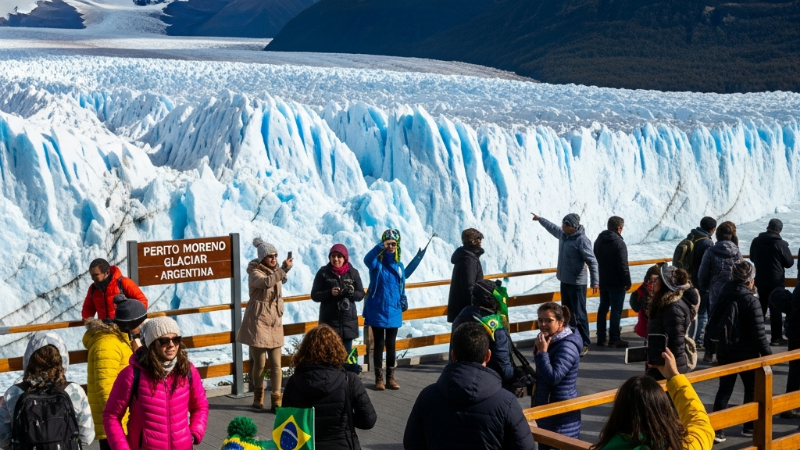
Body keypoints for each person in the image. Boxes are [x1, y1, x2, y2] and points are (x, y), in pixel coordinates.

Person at [403, 322, 535, 450]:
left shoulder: (427, 396)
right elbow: (525, 446)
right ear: (488, 356)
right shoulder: (507, 402)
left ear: (453, 355)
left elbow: (412, 443)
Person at [103, 316, 209, 450]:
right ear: (151, 344)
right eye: (164, 340)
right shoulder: (131, 375)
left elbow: (200, 406)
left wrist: (194, 433)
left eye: (175, 340)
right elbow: (111, 416)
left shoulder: (187, 370)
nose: (171, 345)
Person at [591, 348, 714, 450]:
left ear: (619, 413)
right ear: (663, 412)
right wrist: (674, 376)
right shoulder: (686, 446)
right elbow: (700, 423)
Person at [282, 324, 377, 450]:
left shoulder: (293, 382)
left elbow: (286, 423)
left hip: (305, 445)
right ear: (337, 349)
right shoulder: (349, 380)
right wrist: (347, 420)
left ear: (305, 351)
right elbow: (368, 420)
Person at [708, 260, 771, 443]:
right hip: (746, 353)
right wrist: (768, 354)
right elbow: (759, 334)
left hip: (725, 349)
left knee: (725, 389)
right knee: (751, 388)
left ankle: (718, 430)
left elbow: (714, 321)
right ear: (750, 280)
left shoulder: (723, 294)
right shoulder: (751, 301)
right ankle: (749, 426)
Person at [0, 332, 95, 450]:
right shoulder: (74, 391)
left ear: (29, 358)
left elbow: (3, 439)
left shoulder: (14, 393)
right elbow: (87, 437)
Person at [363, 229, 426, 391]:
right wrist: (380, 247)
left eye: (394, 244)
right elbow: (366, 260)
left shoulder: (399, 266)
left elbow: (401, 286)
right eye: (388, 244)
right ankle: (379, 379)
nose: (391, 247)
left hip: (394, 309)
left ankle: (390, 378)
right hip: (377, 308)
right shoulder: (377, 263)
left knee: (391, 345)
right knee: (379, 343)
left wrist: (403, 298)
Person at [83, 295, 147, 450]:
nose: (144, 325)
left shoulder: (121, 339)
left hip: (121, 419)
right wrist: (117, 423)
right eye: (141, 322)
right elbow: (106, 389)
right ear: (131, 323)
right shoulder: (108, 344)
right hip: (115, 424)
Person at [236, 238, 293, 411]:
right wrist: (282, 270)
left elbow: (277, 281)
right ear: (262, 258)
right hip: (258, 321)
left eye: (275, 255)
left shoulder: (276, 271)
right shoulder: (255, 273)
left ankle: (277, 400)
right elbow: (266, 282)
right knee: (260, 363)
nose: (274, 259)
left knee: (276, 364)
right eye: (270, 256)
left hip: (274, 320)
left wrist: (282, 271)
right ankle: (258, 396)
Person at [532, 212, 599, 356]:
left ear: (574, 227)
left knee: (580, 314)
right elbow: (552, 228)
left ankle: (584, 343)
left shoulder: (582, 240)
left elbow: (592, 261)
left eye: (566, 224)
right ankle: (570, 338)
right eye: (563, 223)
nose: (563, 226)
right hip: (565, 280)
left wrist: (595, 282)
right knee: (566, 313)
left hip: (577, 284)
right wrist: (540, 219)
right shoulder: (563, 235)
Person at [533, 302, 583, 449]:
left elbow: (553, 377)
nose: (543, 324)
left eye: (549, 320)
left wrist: (542, 353)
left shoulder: (567, 346)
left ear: (560, 322)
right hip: (549, 410)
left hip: (561, 415)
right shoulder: (552, 341)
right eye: (540, 320)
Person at [451, 279, 514, 383]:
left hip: (458, 376)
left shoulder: (462, 316)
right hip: (488, 381)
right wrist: (513, 375)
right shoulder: (495, 325)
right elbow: (503, 367)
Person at [697, 221, 742, 362]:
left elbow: (702, 273)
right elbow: (741, 271)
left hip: (715, 292)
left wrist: (705, 287)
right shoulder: (736, 251)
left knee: (713, 320)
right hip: (732, 291)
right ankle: (728, 352)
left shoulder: (710, 251)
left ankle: (709, 352)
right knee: (731, 321)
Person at [311, 244, 365, 354]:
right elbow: (315, 295)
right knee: (330, 357)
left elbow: (361, 294)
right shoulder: (323, 273)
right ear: (329, 257)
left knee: (346, 356)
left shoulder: (353, 273)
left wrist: (351, 293)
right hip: (329, 323)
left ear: (345, 258)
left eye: (339, 256)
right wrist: (330, 293)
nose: (336, 259)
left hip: (348, 324)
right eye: (333, 256)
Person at [645, 265, 698, 379]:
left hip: (669, 366)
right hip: (660, 362)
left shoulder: (673, 308)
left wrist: (664, 366)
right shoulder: (664, 303)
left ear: (665, 284)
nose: (654, 282)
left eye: (658, 279)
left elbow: (676, 343)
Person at [749, 218, 794, 346]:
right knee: (775, 309)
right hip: (776, 280)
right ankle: (776, 337)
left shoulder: (756, 241)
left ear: (768, 227)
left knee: (760, 309)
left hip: (760, 279)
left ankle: (758, 337)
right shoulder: (781, 244)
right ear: (779, 231)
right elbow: (789, 263)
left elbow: (752, 257)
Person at [593, 216, 632, 348]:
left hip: (603, 280)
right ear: (619, 228)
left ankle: (601, 337)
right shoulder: (619, 243)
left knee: (602, 308)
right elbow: (623, 265)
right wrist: (627, 281)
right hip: (617, 282)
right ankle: (614, 338)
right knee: (616, 310)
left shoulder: (598, 241)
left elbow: (595, 260)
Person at [683, 217, 716, 347]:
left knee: (692, 310)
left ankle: (689, 337)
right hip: (701, 282)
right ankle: (697, 340)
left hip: (690, 280)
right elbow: (707, 265)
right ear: (713, 229)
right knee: (702, 313)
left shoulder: (693, 236)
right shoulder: (707, 243)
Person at [82, 258, 148, 319]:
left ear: (106, 273)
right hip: (104, 328)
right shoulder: (93, 288)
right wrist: (89, 322)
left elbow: (142, 301)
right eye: (91, 275)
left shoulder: (123, 283)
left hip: (124, 328)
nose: (93, 278)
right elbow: (88, 308)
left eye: (96, 275)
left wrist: (130, 320)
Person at [447, 228, 485, 323]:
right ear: (473, 241)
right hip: (467, 312)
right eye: (479, 239)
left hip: (462, 311)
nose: (480, 242)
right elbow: (469, 286)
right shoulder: (469, 260)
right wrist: (475, 309)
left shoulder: (465, 256)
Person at [631, 264, 664, 338]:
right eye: (653, 280)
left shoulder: (641, 290)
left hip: (648, 325)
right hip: (649, 324)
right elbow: (636, 306)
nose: (654, 283)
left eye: (656, 280)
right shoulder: (642, 291)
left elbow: (635, 307)